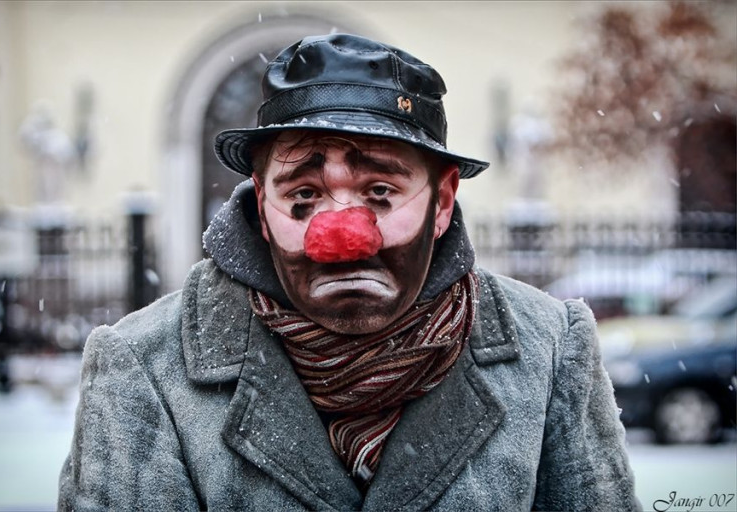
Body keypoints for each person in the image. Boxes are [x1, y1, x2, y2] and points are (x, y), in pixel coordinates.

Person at [59, 33, 640, 511]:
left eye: (381, 191)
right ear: (261, 204)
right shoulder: (141, 367)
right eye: (303, 194)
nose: (341, 237)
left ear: (441, 202)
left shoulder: (551, 352)